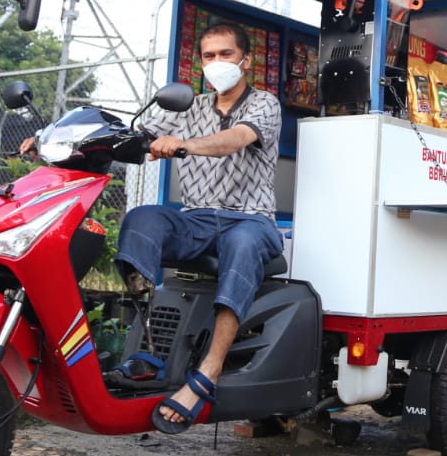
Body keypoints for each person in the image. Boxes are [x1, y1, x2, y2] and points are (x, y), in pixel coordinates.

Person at [22, 22, 283, 434]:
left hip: (251, 219)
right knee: (143, 219)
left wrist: (184, 145)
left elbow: (235, 138)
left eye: (226, 55)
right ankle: (148, 347)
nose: (217, 63)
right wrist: (53, 140)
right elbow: (130, 134)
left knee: (244, 243)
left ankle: (209, 372)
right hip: (197, 218)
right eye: (208, 56)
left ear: (245, 60)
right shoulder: (188, 105)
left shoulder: (264, 105)